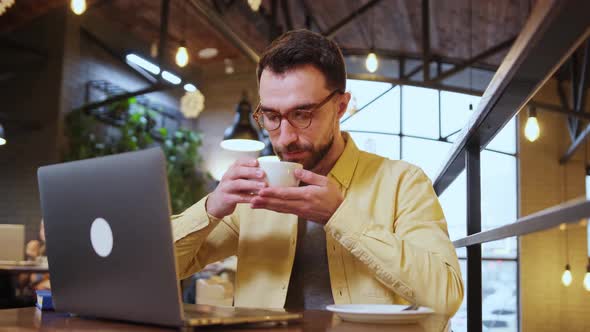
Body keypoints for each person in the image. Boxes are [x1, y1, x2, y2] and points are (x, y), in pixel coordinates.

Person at [172, 29, 463, 331]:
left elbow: (445, 297)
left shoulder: (403, 182)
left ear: (340, 107)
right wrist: (211, 206)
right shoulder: (255, 193)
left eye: (302, 114)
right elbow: (158, 267)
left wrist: (339, 216)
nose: (284, 138)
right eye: (271, 116)